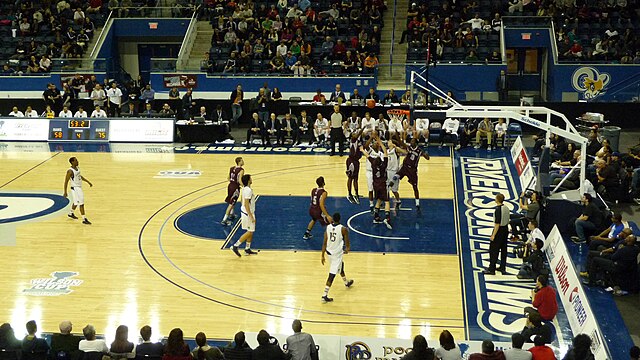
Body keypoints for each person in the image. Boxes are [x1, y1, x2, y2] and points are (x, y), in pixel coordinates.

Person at [321, 212, 354, 302]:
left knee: (341, 266)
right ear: (339, 219)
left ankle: (346, 282)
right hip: (336, 254)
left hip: (329, 253)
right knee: (332, 274)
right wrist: (347, 248)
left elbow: (324, 242)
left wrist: (322, 255)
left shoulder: (328, 227)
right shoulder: (343, 229)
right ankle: (324, 294)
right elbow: (347, 241)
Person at [389, 138, 430, 209]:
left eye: (412, 141)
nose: (411, 142)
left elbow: (427, 158)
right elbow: (401, 143)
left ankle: (417, 203)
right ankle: (388, 188)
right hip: (405, 167)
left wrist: (426, 155)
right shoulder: (408, 147)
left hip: (412, 170)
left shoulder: (419, 151)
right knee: (395, 177)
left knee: (415, 187)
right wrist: (396, 135)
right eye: (410, 141)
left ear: (416, 143)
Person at [231, 174, 259, 256]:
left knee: (251, 231)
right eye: (250, 178)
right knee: (250, 231)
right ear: (248, 180)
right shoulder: (248, 190)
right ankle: (236, 245)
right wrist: (251, 216)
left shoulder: (245, 189)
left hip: (246, 212)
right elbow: (246, 204)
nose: (252, 179)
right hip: (247, 213)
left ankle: (247, 249)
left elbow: (242, 201)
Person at [483, 193, 510, 275]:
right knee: (503, 249)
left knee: (494, 250)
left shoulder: (498, 209)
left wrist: (493, 235)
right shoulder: (506, 207)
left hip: (499, 230)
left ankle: (492, 269)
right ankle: (502, 267)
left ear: (497, 199)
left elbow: (497, 223)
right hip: (505, 229)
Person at [63, 157, 93, 225]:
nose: (77, 161)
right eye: (76, 160)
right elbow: (66, 182)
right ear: (72, 162)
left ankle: (71, 213)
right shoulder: (70, 171)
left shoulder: (77, 168)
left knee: (76, 202)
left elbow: (79, 176)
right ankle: (84, 219)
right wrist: (65, 192)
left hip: (78, 187)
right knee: (81, 203)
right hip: (75, 188)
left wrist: (87, 181)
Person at [222, 157, 245, 226]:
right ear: (239, 162)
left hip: (230, 186)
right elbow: (240, 180)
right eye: (242, 160)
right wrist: (244, 186)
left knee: (231, 201)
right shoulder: (241, 170)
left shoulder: (231, 168)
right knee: (231, 203)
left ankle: (232, 214)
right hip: (235, 187)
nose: (243, 161)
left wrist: (233, 182)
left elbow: (228, 178)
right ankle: (224, 220)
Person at [346, 129, 363, 204]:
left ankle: (356, 193)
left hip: (356, 162)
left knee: (356, 179)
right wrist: (363, 128)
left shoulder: (358, 142)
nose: (355, 134)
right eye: (353, 134)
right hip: (351, 162)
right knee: (350, 178)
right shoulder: (352, 140)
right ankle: (349, 194)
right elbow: (357, 135)